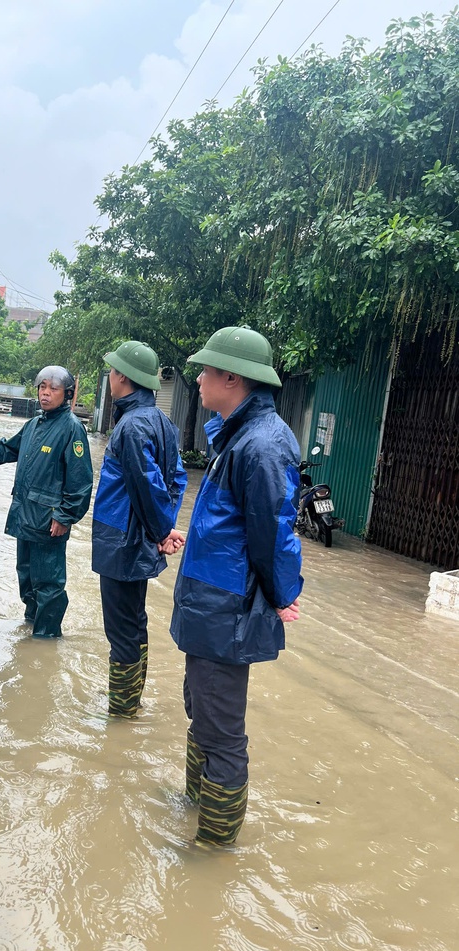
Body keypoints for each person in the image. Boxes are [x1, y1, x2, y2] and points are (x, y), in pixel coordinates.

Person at [169, 326, 302, 846]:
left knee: (221, 731)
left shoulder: (263, 445)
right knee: (199, 707)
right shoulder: (237, 435)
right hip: (208, 600)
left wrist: (283, 593)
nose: (198, 379)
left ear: (232, 378)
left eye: (205, 371)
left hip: (228, 605)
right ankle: (193, 807)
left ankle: (213, 849)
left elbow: (274, 532)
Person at [0, 366, 93, 638]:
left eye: (53, 389)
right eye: (42, 387)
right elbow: (5, 449)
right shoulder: (34, 425)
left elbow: (80, 482)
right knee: (26, 579)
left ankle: (46, 639)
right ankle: (31, 630)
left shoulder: (71, 429)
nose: (46, 393)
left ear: (68, 394)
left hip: (49, 523)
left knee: (49, 585)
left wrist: (65, 517)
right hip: (26, 517)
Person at [92, 341, 187, 717]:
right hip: (140, 539)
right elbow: (176, 479)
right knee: (134, 622)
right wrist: (163, 528)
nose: (110, 377)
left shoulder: (130, 426)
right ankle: (130, 700)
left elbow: (146, 485)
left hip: (122, 541)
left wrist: (162, 530)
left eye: (113, 372)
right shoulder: (163, 422)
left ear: (123, 378)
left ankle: (122, 708)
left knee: (122, 629)